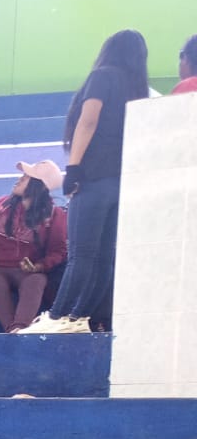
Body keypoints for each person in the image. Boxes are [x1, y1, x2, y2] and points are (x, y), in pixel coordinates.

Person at [21, 29, 149, 335]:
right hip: (122, 181)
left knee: (81, 255)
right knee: (104, 258)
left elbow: (88, 120)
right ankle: (79, 317)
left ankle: (57, 316)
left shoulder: (103, 76)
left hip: (93, 178)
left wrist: (74, 168)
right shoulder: (138, 89)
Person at [0, 161, 69, 333]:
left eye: (25, 177)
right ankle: (10, 329)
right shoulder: (1, 204)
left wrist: (39, 266)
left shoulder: (54, 214)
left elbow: (58, 251)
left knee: (36, 280)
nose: (19, 179)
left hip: (29, 272)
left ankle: (20, 327)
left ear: (40, 186)